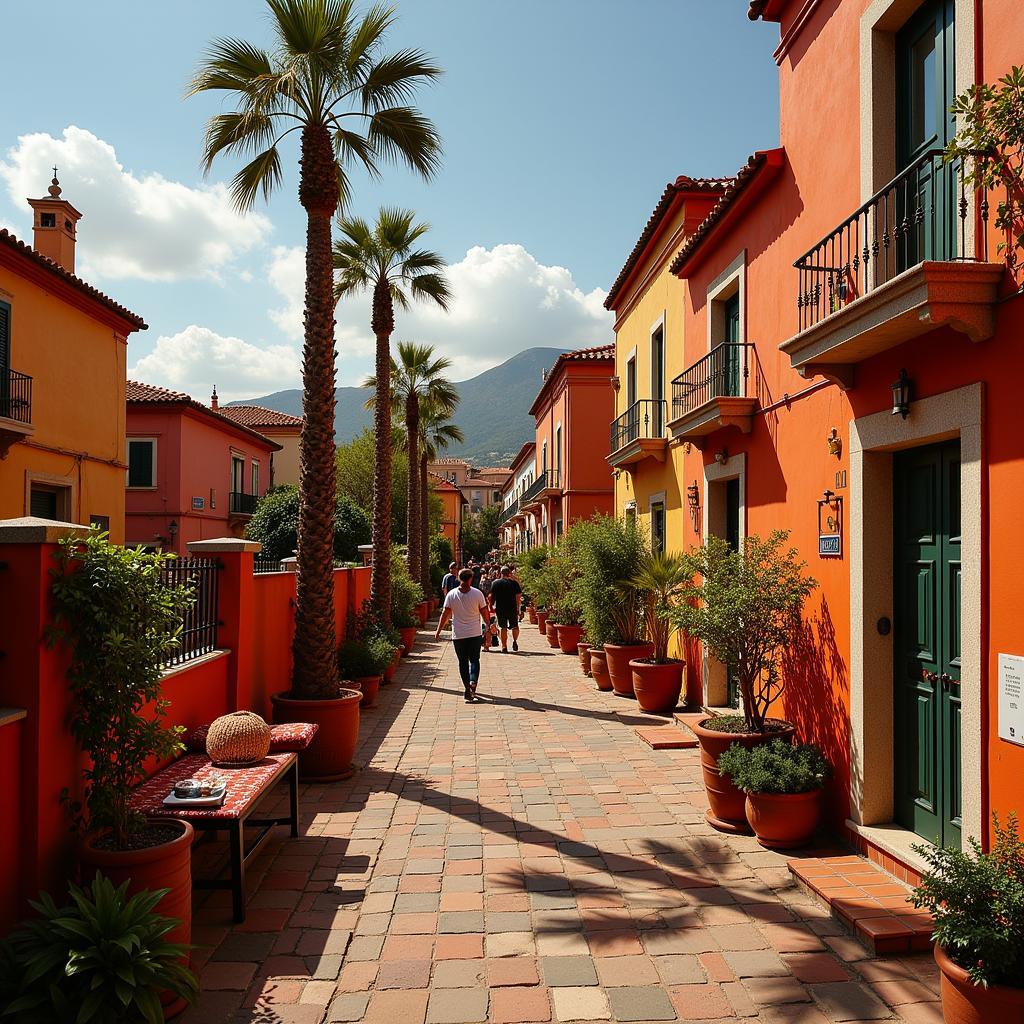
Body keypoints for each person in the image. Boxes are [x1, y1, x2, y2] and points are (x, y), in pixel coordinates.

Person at [435, 568, 491, 701]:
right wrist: (488, 625)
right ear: (471, 579)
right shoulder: (477, 594)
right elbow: (484, 612)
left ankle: (467, 687)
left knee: (462, 662)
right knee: (474, 660)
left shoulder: (451, 595)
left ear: (458, 578)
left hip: (458, 635)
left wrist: (438, 631)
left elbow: (445, 614)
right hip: (474, 633)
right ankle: (473, 683)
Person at [488, 564, 523, 653]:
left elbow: (491, 596)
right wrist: (518, 608)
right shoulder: (514, 583)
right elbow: (518, 597)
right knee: (515, 626)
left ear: (501, 573)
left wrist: (491, 606)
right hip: (512, 608)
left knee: (502, 627)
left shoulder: (495, 583)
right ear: (509, 573)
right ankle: (515, 641)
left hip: (500, 608)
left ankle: (504, 646)